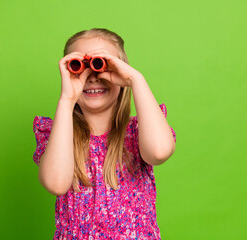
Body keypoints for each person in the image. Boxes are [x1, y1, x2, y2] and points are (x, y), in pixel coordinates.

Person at [32, 28, 177, 240]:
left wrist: (135, 79)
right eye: (81, 68)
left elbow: (159, 151)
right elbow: (56, 183)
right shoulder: (58, 137)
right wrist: (67, 99)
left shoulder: (138, 131)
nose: (92, 78)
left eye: (102, 64)